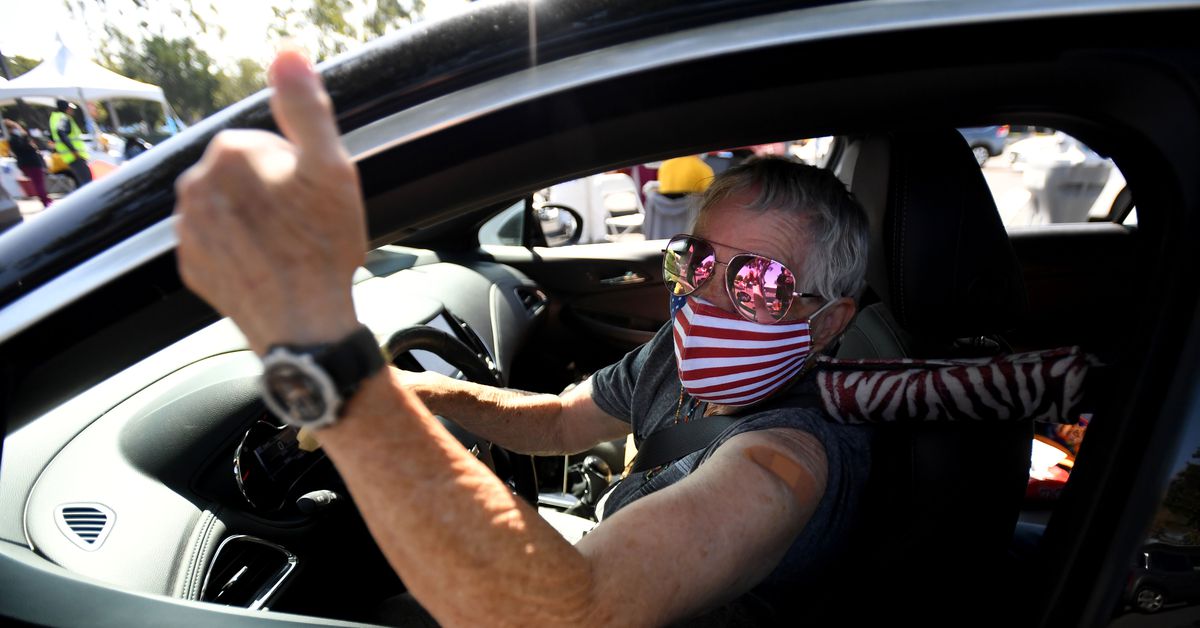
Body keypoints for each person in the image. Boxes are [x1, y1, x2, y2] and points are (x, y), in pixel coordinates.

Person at [173, 49, 872, 625]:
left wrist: (335, 369)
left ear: (829, 322)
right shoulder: (678, 349)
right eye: (699, 262)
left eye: (761, 284)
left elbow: (573, 612)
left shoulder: (787, 460)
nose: (709, 297)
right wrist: (425, 393)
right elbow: (564, 419)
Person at [4, 120, 52, 208]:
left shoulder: (17, 138)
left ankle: (46, 200)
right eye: (15, 128)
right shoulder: (15, 139)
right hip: (30, 163)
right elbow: (23, 148)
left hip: (32, 163)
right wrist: (25, 137)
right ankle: (46, 201)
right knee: (38, 183)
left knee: (39, 183)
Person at [49, 99, 92, 189]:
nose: (72, 110)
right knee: (87, 181)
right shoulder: (63, 118)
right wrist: (73, 150)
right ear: (66, 108)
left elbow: (53, 136)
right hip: (75, 155)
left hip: (68, 156)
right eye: (70, 108)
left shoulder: (54, 118)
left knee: (81, 181)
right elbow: (61, 132)